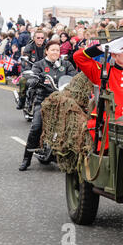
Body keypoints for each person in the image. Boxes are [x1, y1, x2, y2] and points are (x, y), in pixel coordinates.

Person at [19, 40, 77, 171]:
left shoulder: (66, 64)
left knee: (74, 123)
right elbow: (32, 77)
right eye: (53, 50)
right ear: (47, 51)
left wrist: (76, 81)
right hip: (44, 100)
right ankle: (26, 159)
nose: (55, 52)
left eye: (57, 50)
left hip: (62, 100)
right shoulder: (39, 64)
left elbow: (74, 77)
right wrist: (35, 80)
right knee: (36, 127)